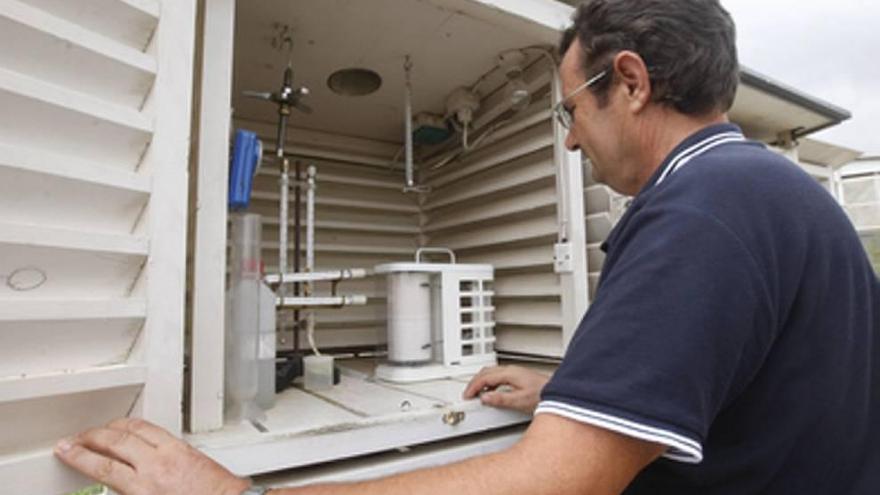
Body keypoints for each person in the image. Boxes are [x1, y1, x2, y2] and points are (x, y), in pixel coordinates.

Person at [55, 1, 879, 493]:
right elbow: (760, 381)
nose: (566, 143)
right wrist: (572, 385)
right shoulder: (784, 194)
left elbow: (553, 482)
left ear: (629, 83)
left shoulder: (701, 207)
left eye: (569, 113)